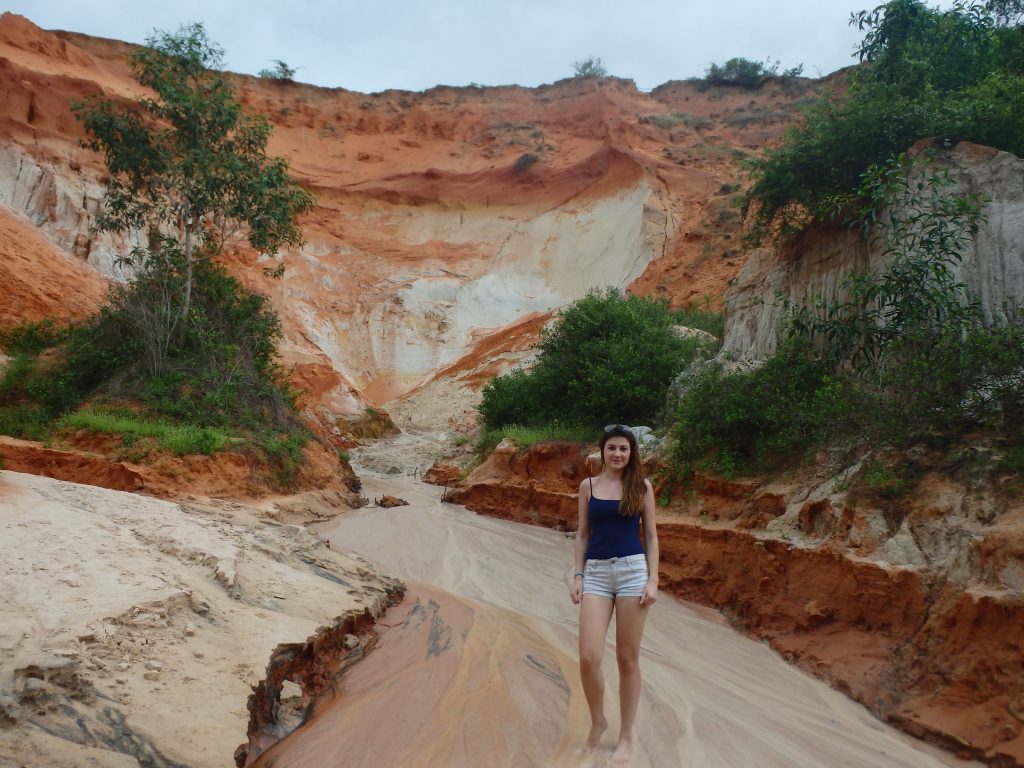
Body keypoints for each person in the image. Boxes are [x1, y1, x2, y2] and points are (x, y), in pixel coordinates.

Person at [570, 424, 659, 763]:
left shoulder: (642, 487)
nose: (618, 454)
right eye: (612, 448)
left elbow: (650, 537)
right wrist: (577, 575)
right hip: (595, 573)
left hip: (632, 572)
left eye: (624, 448)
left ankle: (626, 736)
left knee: (627, 658)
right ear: (602, 451)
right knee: (589, 656)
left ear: (631, 452)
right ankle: (598, 722)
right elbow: (581, 535)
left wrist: (653, 580)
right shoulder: (587, 486)